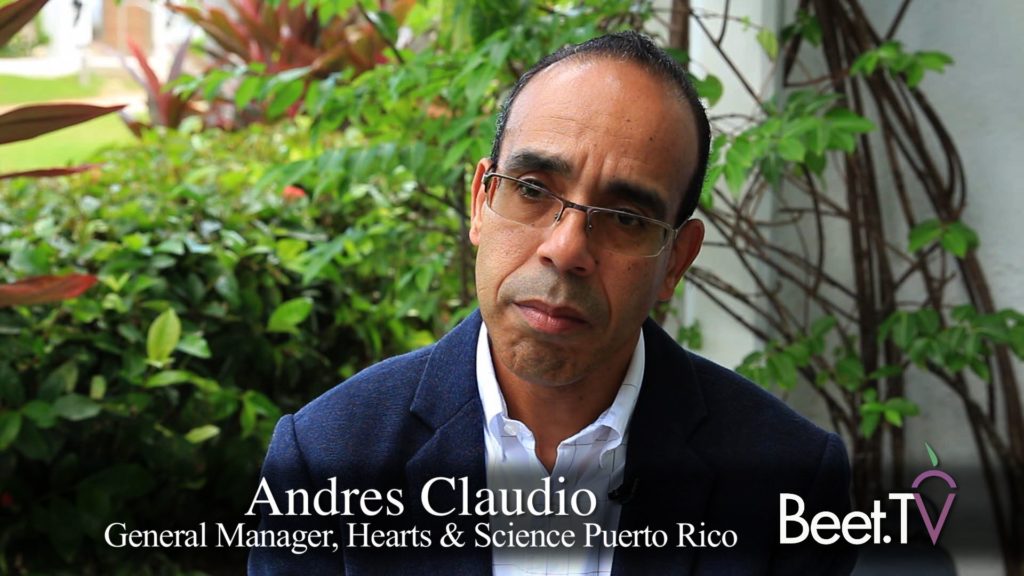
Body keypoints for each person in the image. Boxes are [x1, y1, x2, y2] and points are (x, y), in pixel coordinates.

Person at [249, 31, 855, 575]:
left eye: (625, 217)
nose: (566, 251)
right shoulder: (323, 458)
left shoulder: (792, 483)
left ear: (676, 259)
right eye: (533, 189)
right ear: (481, 201)